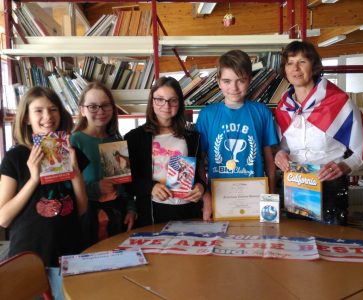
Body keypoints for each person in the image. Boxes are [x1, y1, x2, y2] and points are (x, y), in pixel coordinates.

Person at [0, 86, 88, 299]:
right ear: (27, 118)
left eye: (53, 109)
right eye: (38, 110)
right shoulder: (16, 157)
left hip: (68, 255)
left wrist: (75, 173)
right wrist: (33, 179)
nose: (47, 116)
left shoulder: (71, 152)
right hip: (29, 257)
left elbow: (82, 209)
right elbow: (3, 218)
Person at [274, 40, 363, 225]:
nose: (295, 68)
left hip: (330, 186)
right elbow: (284, 146)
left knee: (331, 246)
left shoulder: (339, 102)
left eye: (302, 61)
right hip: (296, 185)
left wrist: (345, 166)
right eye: (290, 62)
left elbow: (362, 150)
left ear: (314, 66)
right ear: (284, 69)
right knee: (298, 243)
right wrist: (280, 154)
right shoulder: (283, 107)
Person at [196, 49, 278, 220]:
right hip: (219, 199)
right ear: (218, 82)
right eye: (226, 81)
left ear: (249, 80)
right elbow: (199, 161)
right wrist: (206, 199)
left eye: (240, 81)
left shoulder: (262, 112)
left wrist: (270, 197)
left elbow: (270, 161)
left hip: (254, 199)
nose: (233, 88)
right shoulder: (207, 115)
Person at [124, 76, 205, 228]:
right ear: (152, 101)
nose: (166, 105)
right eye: (160, 99)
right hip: (153, 211)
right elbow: (127, 183)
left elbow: (197, 176)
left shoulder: (193, 137)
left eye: (172, 100)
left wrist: (201, 187)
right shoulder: (134, 138)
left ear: (179, 103)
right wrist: (150, 187)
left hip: (187, 209)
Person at [71, 82, 135, 247]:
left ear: (112, 109)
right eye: (92, 106)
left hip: (116, 216)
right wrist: (96, 188)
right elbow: (65, 188)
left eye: (105, 105)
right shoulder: (74, 142)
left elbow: (123, 186)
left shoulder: (116, 141)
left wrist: (130, 209)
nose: (100, 111)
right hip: (87, 219)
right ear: (82, 110)